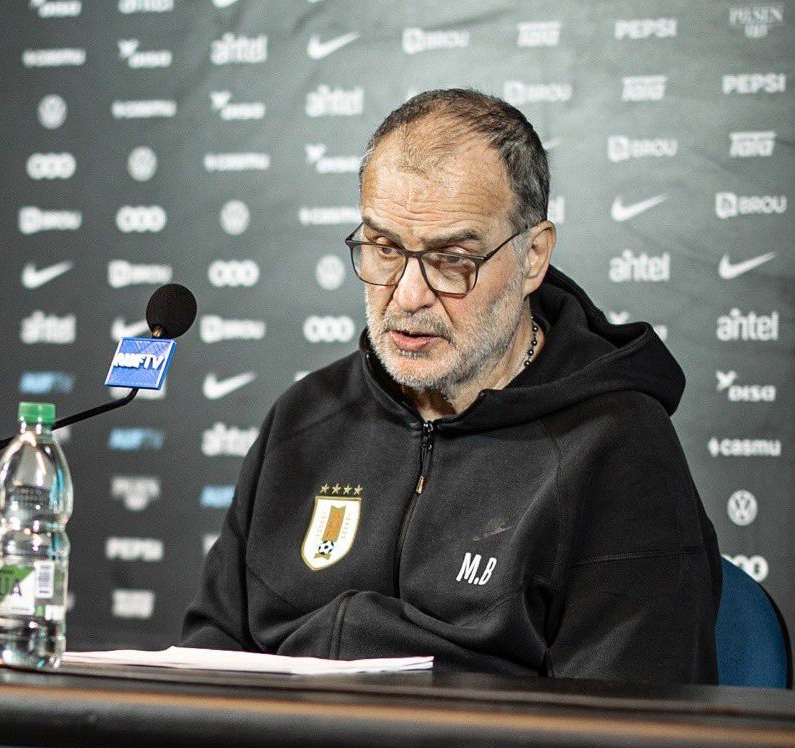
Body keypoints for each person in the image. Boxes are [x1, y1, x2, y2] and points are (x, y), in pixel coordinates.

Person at [181, 88, 721, 683]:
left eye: (451, 260)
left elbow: (623, 739)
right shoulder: (304, 418)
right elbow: (210, 657)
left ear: (533, 257)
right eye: (384, 249)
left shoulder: (617, 450)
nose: (408, 296)